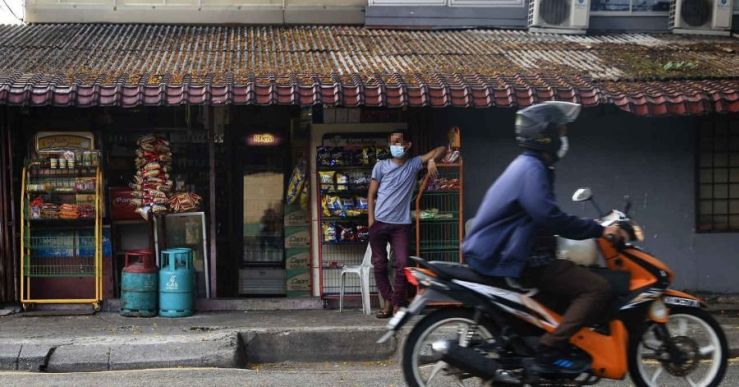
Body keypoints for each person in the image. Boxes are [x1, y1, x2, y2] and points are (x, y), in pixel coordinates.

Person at [462, 101, 629, 374]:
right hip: (520, 259)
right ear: (546, 135)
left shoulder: (529, 165)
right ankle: (550, 349)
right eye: (561, 132)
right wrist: (598, 229)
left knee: (573, 275)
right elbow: (550, 217)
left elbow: (544, 217)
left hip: (512, 252)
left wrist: (594, 224)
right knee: (597, 288)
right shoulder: (532, 168)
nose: (564, 138)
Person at [368, 129, 446, 319]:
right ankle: (392, 303)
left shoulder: (413, 165)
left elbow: (442, 148)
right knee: (379, 265)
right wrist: (371, 221)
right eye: (393, 142)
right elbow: (371, 194)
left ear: (407, 145)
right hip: (379, 222)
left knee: (402, 263)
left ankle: (393, 303)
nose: (396, 146)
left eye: (399, 142)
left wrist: (431, 160)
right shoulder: (381, 166)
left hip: (400, 225)